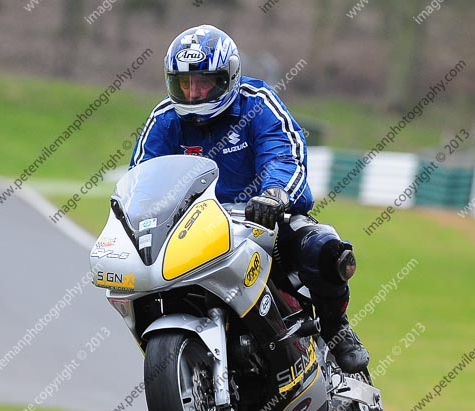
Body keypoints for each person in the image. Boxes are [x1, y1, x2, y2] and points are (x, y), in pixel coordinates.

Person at [130, 25, 369, 373]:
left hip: (262, 223)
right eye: (185, 84)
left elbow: (283, 154)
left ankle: (336, 329)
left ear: (229, 78)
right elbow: (142, 179)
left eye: (204, 82)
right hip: (194, 235)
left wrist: (274, 194)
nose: (194, 93)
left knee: (326, 249)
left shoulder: (258, 104)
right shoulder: (164, 119)